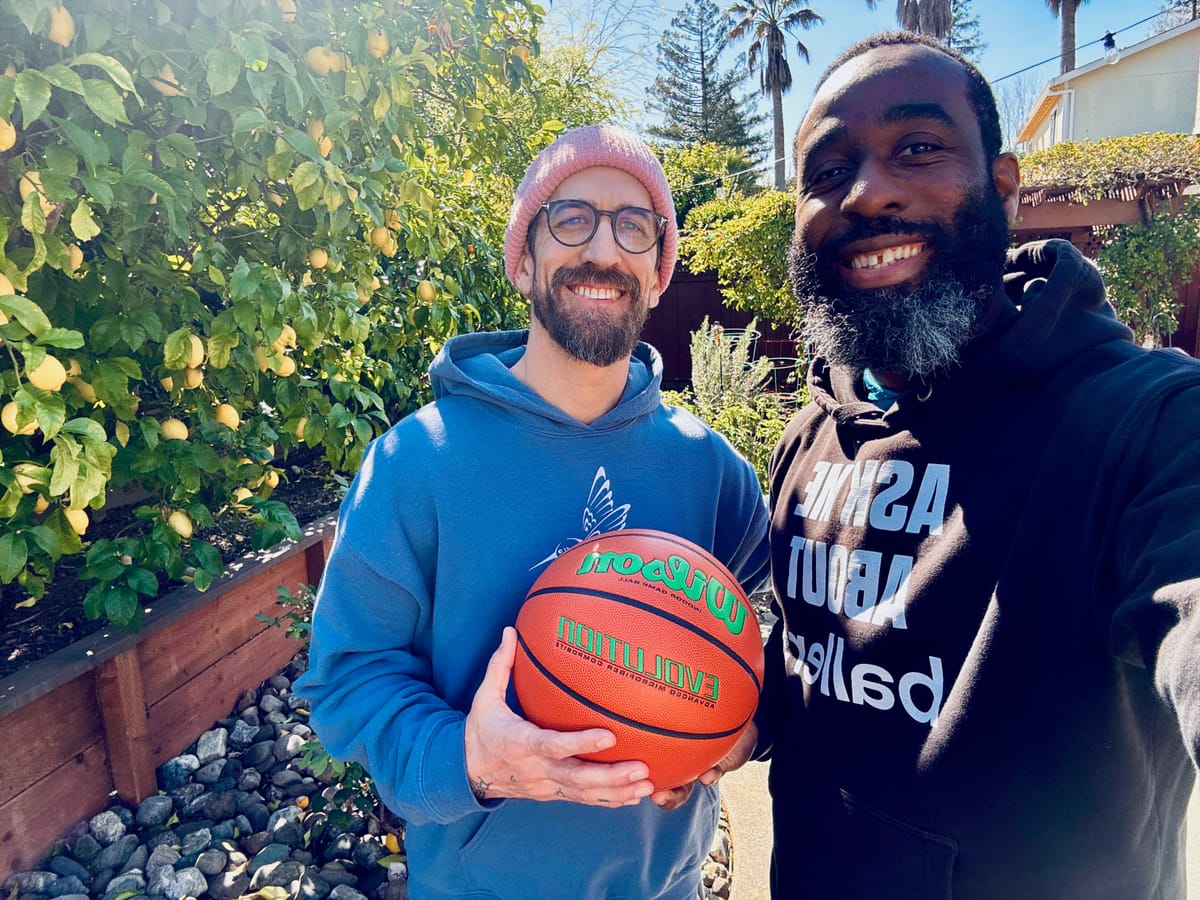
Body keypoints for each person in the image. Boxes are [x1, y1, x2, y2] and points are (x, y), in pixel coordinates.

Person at [732, 31, 1200, 899]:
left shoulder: (1142, 424)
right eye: (828, 173)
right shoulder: (808, 439)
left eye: (918, 147)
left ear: (1004, 188)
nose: (866, 194)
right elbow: (806, 662)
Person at [294, 123, 770, 899]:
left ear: (659, 268)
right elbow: (349, 681)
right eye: (572, 218)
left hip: (666, 885)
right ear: (525, 258)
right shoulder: (416, 462)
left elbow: (777, 634)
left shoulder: (709, 467)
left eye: (634, 225)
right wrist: (469, 760)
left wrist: (738, 729)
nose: (604, 251)